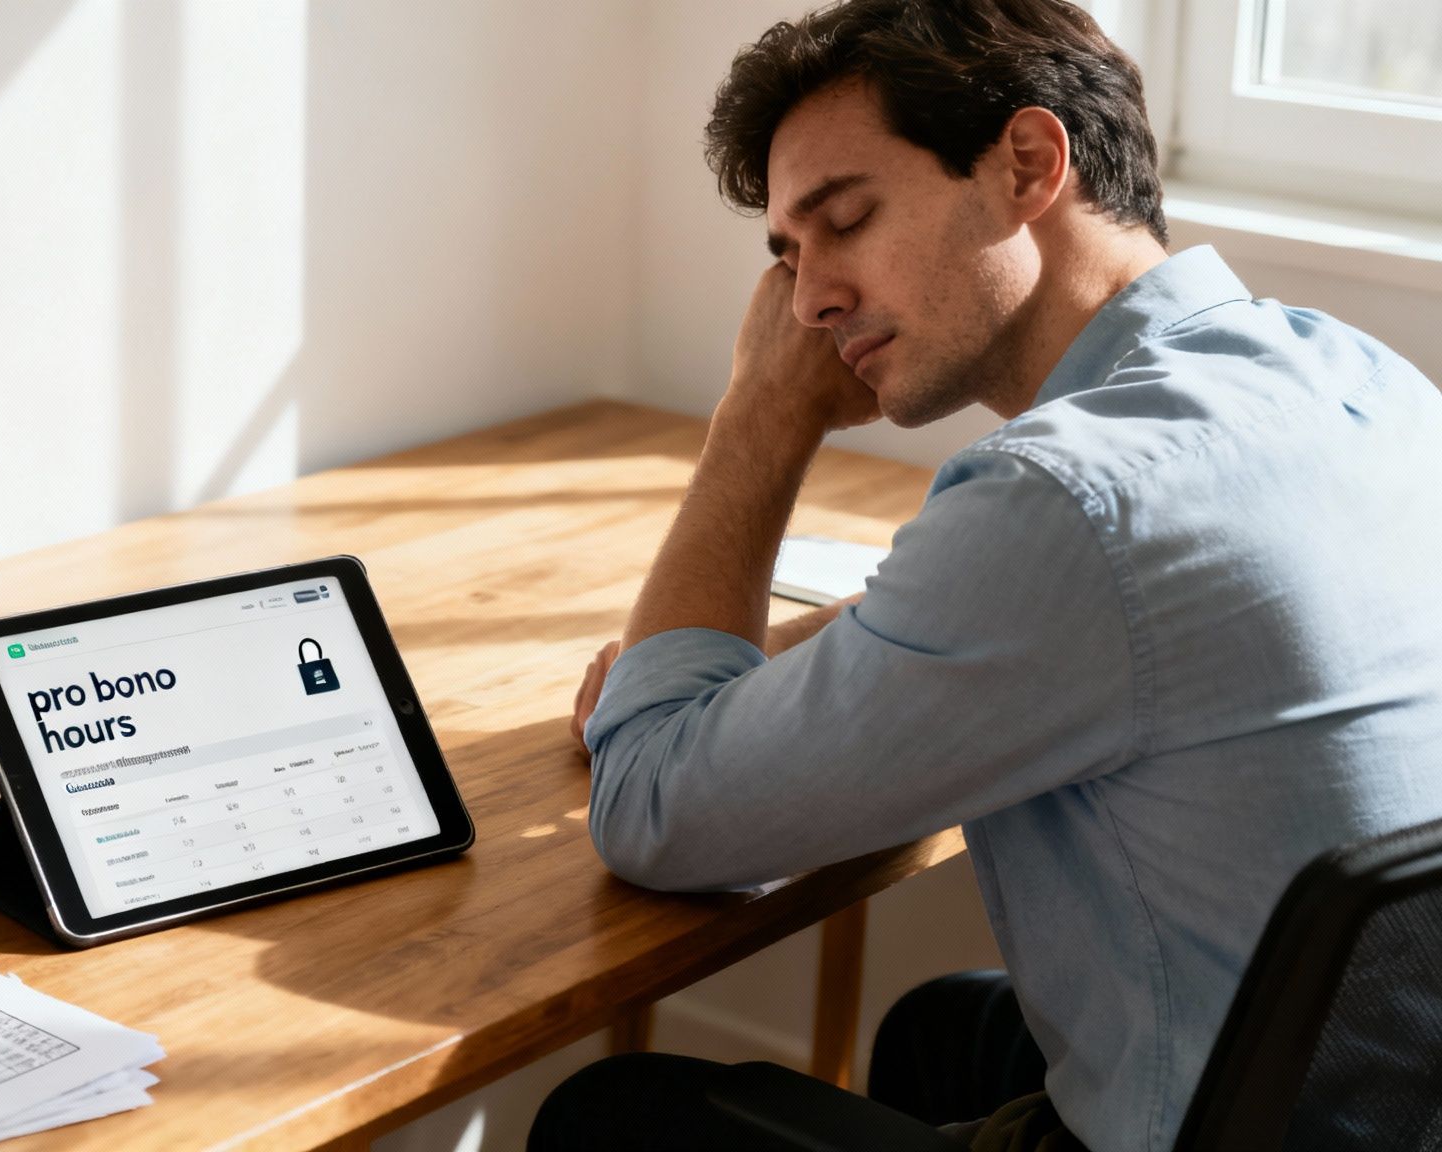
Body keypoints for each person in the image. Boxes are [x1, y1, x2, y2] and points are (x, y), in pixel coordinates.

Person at [534, 0, 1442, 1149]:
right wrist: (761, 669)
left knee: (615, 1116)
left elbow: (651, 807)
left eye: (844, 220)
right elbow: (1079, 621)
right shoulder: (1356, 377)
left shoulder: (1065, 497)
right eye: (786, 255)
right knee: (941, 1031)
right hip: (1373, 1101)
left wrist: (755, 421)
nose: (806, 301)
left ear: (1025, 163)